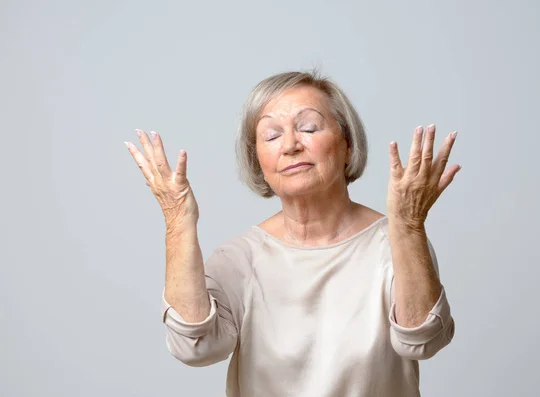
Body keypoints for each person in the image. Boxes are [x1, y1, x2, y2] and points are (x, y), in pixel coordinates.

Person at [125, 71, 459, 397]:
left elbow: (423, 340)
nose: (290, 145)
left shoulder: (394, 243)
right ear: (259, 161)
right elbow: (195, 348)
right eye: (271, 135)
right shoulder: (240, 258)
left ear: (346, 143)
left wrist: (409, 224)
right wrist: (177, 222)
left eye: (309, 127)